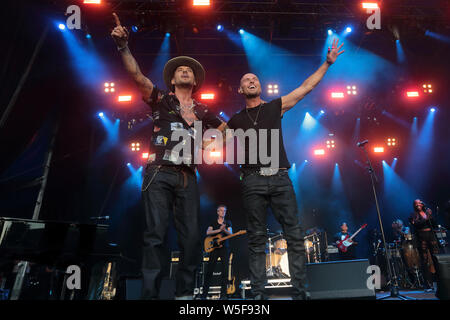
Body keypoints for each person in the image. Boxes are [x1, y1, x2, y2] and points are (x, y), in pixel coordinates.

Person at [111, 13, 226, 299]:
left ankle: (185, 295)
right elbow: (137, 76)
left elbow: (226, 128)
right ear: (172, 79)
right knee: (155, 236)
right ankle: (150, 295)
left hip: (188, 176)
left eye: (189, 69)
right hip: (159, 172)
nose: (185, 70)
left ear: (195, 81)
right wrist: (124, 47)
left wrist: (211, 143)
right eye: (180, 69)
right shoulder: (161, 100)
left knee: (191, 238)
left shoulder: (202, 110)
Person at [226, 39, 344, 300]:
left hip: (279, 177)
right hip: (252, 180)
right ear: (240, 88)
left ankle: (300, 293)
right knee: (256, 238)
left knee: (294, 234)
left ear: (259, 84)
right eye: (246, 80)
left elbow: (306, 88)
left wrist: (327, 63)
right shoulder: (235, 119)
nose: (251, 81)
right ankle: (258, 295)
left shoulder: (274, 107)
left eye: (254, 78)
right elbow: (210, 138)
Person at [201, 205, 232, 300]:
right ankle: (204, 294)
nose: (223, 212)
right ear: (217, 212)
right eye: (221, 211)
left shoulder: (228, 222)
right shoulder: (213, 222)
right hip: (214, 249)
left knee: (225, 271)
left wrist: (224, 230)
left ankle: (223, 295)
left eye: (224, 211)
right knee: (209, 271)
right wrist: (219, 230)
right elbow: (208, 232)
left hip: (224, 249)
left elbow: (231, 234)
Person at [409, 199, 439, 292]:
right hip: (421, 237)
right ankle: (428, 284)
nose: (418, 204)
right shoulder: (413, 215)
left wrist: (431, 216)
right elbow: (417, 224)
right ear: (414, 205)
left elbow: (434, 225)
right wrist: (427, 218)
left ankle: (440, 280)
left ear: (422, 204)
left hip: (431, 236)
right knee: (424, 260)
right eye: (415, 203)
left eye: (419, 202)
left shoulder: (427, 212)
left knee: (436, 258)